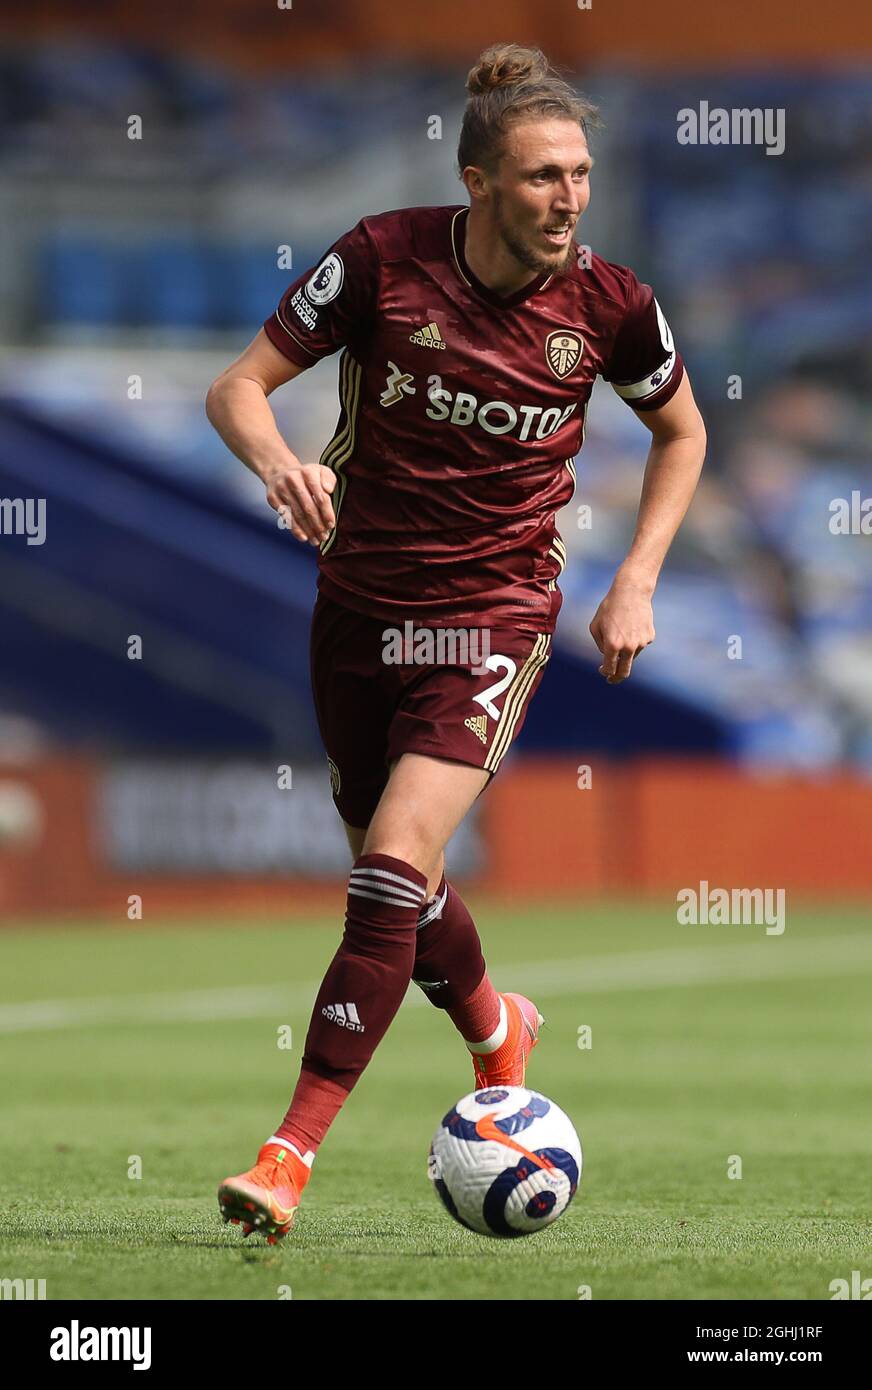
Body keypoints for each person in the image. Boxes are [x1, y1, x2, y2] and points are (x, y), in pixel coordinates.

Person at [205, 42, 706, 1241]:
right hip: (357, 610)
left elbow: (682, 434)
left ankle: (288, 1154)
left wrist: (634, 581)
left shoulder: (611, 305)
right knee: (408, 882)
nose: (567, 199)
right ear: (478, 183)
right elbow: (238, 387)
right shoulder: (381, 259)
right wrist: (279, 462)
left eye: (579, 174)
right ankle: (496, 1028)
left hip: (492, 615)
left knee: (385, 866)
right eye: (541, 177)